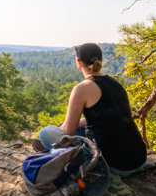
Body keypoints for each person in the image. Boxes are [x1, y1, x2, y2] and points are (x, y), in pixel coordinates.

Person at [35, 43, 147, 177]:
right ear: (101, 60)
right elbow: (105, 117)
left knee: (46, 132)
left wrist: (65, 126)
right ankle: (55, 152)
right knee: (78, 129)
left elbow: (68, 130)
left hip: (115, 166)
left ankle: (56, 154)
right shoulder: (115, 84)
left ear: (78, 62)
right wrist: (76, 123)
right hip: (139, 160)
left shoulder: (82, 88)